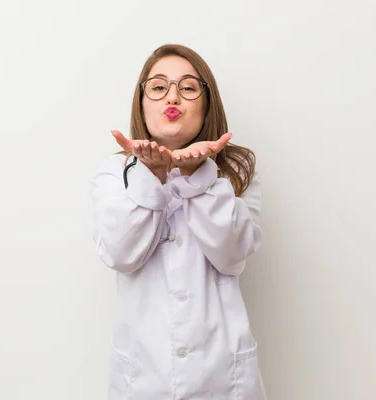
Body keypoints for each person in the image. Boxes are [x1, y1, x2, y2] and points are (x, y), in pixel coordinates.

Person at [90, 43, 265, 399]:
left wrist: (196, 174)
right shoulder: (114, 171)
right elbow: (121, 254)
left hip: (222, 376)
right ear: (141, 102)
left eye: (187, 87)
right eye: (158, 87)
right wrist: (152, 178)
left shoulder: (238, 169)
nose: (173, 98)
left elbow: (232, 255)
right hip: (143, 377)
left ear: (207, 102)